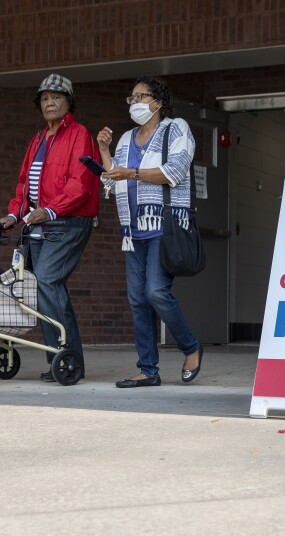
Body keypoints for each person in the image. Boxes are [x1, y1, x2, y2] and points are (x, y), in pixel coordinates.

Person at [96, 76, 203, 388]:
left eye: (141, 96)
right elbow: (113, 180)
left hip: (163, 225)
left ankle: (191, 346)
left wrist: (131, 172)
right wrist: (104, 151)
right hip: (133, 230)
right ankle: (147, 369)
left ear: (158, 101)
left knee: (155, 292)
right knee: (137, 301)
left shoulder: (176, 128)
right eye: (131, 98)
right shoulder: (127, 138)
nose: (135, 102)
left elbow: (176, 171)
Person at [0, 74, 100, 382]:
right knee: (42, 286)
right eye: (44, 98)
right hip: (42, 224)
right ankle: (63, 359)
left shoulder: (79, 134)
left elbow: (80, 183)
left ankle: (66, 359)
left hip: (69, 222)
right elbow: (25, 184)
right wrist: (14, 215)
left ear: (69, 102)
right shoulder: (39, 139)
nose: (50, 102)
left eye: (56, 96)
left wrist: (52, 210)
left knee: (46, 281)